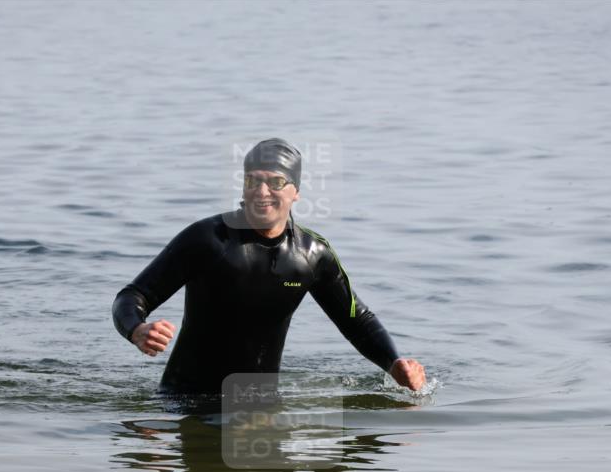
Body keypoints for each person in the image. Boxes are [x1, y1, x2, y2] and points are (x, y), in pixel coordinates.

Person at [112, 138, 425, 395]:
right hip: (186, 399)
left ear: (296, 191)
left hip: (258, 408)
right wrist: (137, 330)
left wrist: (394, 363)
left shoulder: (312, 255)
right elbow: (132, 296)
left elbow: (356, 319)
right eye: (253, 181)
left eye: (275, 181)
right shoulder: (207, 240)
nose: (262, 192)